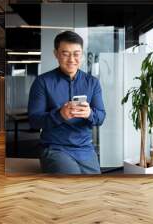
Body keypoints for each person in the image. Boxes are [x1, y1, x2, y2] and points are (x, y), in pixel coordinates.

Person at [28, 31, 106, 174]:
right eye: (65, 53)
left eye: (76, 54)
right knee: (72, 181)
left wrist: (90, 113)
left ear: (82, 55)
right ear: (56, 53)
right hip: (54, 148)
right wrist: (59, 115)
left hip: (85, 148)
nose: (71, 59)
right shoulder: (42, 82)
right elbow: (34, 121)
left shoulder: (92, 83)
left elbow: (101, 117)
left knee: (95, 188)